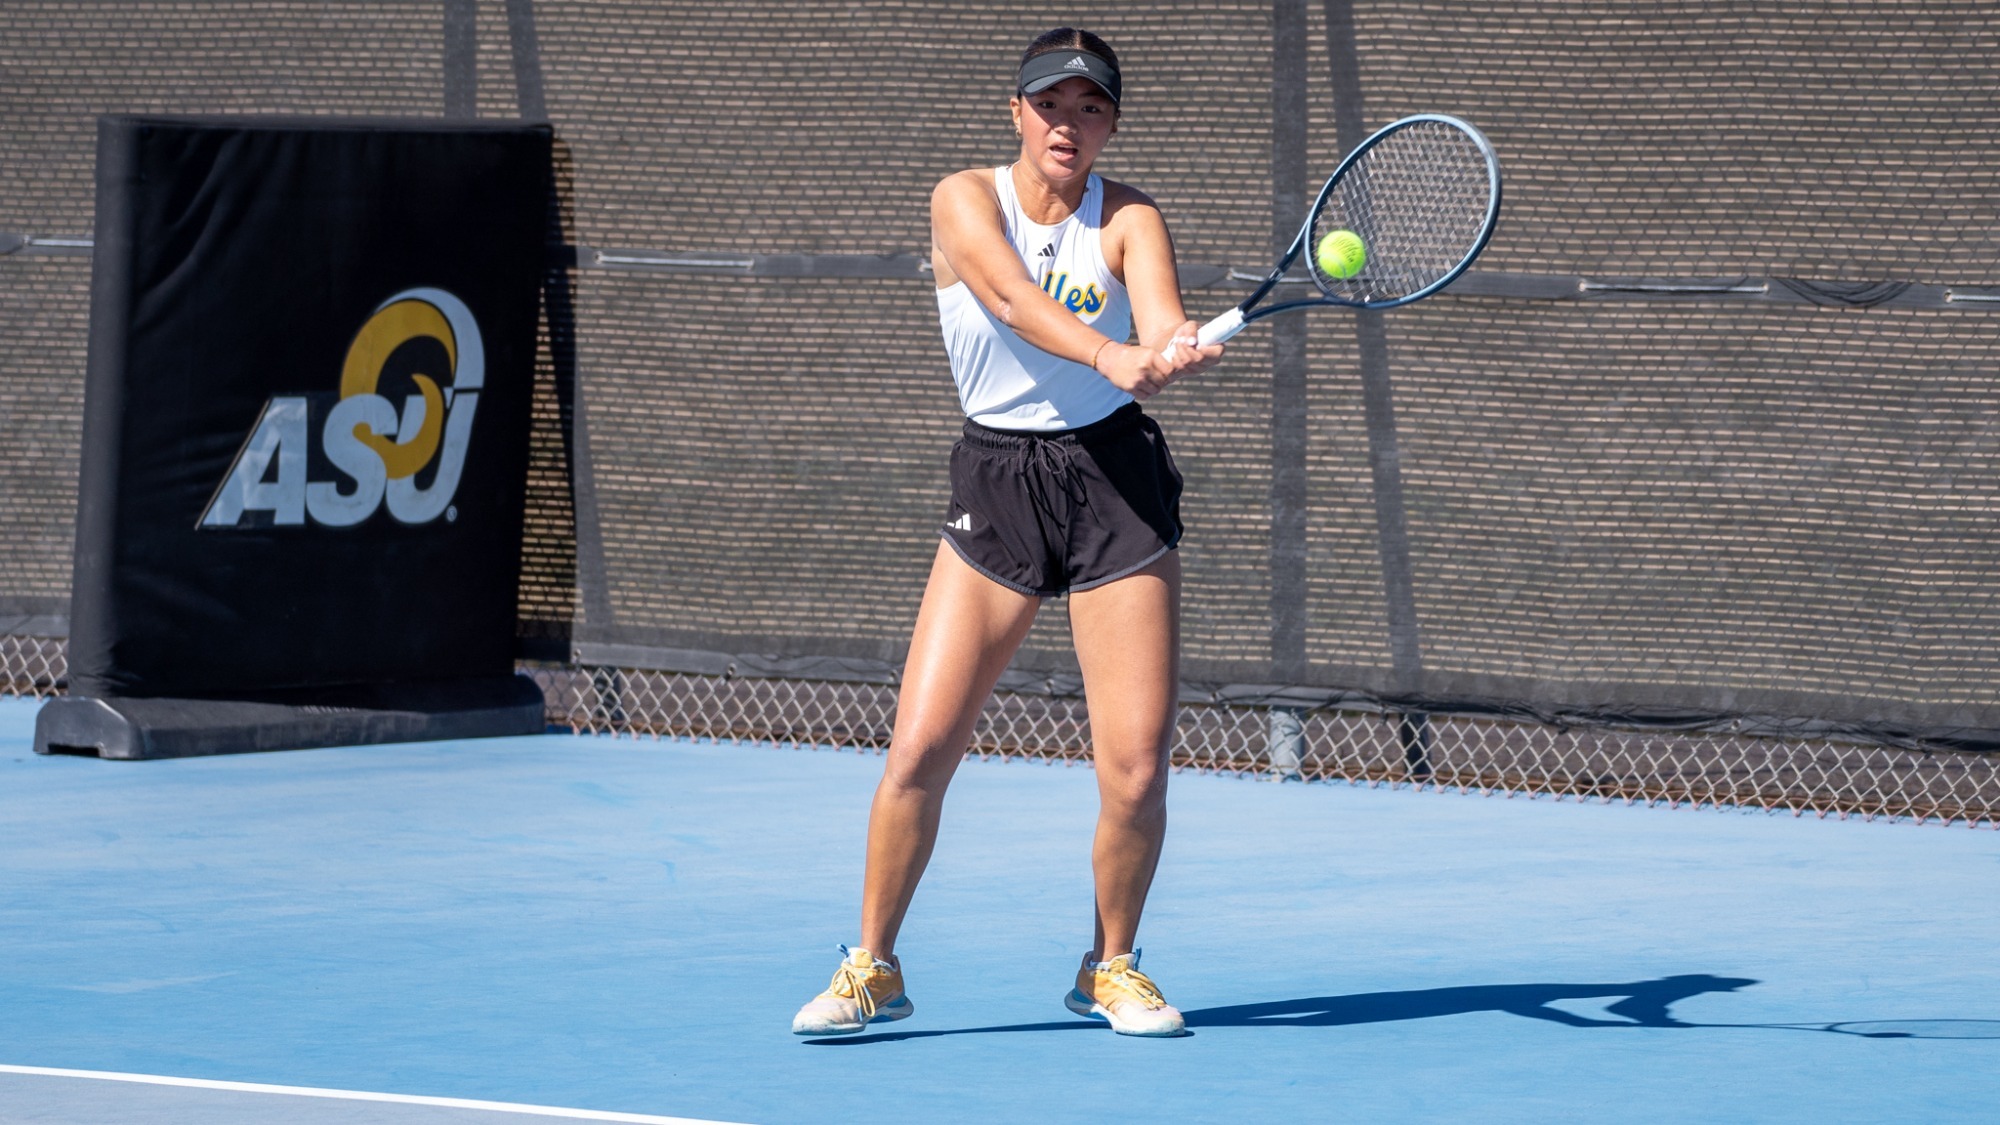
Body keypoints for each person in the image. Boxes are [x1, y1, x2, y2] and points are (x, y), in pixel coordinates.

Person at [791, 27, 1222, 1039]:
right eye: (1049, 104)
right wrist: (1110, 352)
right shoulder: (962, 199)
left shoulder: (1131, 217)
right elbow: (1007, 298)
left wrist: (1169, 346)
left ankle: (1111, 965)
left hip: (1113, 482)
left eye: (1089, 107)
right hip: (998, 481)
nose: (1067, 123)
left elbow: (1159, 317)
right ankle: (873, 966)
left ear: (1110, 123)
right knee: (919, 748)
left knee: (1134, 766)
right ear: (1016, 111)